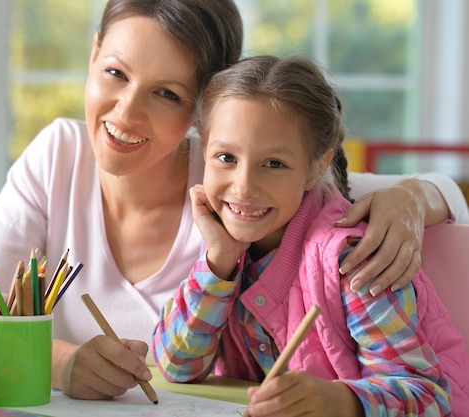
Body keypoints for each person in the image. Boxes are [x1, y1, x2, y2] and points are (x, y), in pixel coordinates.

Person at [0, 0, 469, 401]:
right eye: (115, 72)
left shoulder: (231, 173)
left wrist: (410, 198)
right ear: (93, 55)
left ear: (204, 109)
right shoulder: (59, 153)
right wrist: (60, 363)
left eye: (167, 94)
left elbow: (388, 188)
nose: (126, 113)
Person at [152, 55, 469, 416]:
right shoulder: (227, 240)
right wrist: (218, 262)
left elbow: (429, 397)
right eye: (226, 157)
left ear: (317, 166)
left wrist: (340, 401)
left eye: (274, 164)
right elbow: (177, 366)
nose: (243, 188)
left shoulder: (354, 259)